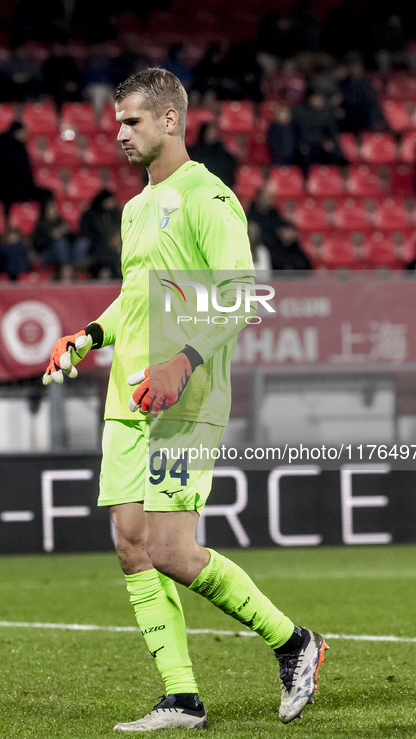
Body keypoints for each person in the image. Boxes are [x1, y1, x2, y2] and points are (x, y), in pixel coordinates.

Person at [42, 67, 327, 731]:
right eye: (117, 122)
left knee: (171, 550)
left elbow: (237, 296)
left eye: (132, 121)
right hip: (127, 395)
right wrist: (88, 335)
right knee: (131, 547)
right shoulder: (135, 208)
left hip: (185, 393)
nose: (120, 133)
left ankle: (294, 642)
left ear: (170, 119)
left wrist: (180, 359)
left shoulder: (208, 196)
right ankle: (180, 697)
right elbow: (137, 297)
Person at [0, 121, 52, 220]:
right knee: (46, 195)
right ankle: (42, 222)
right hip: (11, 189)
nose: (26, 135)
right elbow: (23, 173)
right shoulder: (17, 148)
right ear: (18, 132)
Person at [79, 188, 122, 280]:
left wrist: (118, 237)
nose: (112, 203)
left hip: (113, 248)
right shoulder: (91, 215)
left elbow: (121, 229)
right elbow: (87, 233)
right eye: (109, 201)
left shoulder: (116, 213)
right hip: (96, 247)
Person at [187, 120, 238, 188]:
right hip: (196, 187)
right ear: (203, 132)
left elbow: (229, 173)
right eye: (210, 131)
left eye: (215, 132)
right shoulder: (192, 151)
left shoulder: (223, 154)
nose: (213, 134)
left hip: (216, 188)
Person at [246, 185, 285, 251]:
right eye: (265, 197)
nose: (268, 201)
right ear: (258, 197)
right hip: (254, 248)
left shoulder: (275, 213)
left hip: (273, 249)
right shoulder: (250, 212)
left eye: (270, 198)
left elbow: (281, 232)